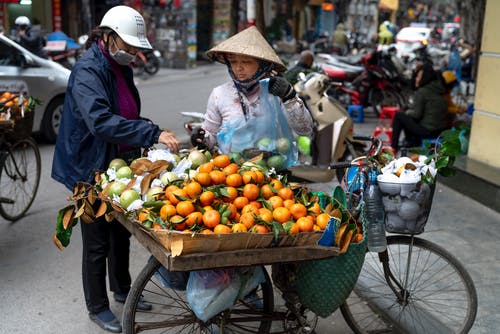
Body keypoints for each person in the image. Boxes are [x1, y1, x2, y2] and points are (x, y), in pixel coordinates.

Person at [51, 6, 179, 333]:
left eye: (136, 48)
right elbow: (101, 122)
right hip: (88, 166)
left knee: (120, 232)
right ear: (106, 37)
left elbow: (125, 112)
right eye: (128, 45)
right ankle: (97, 307)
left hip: (117, 163)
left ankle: (122, 290)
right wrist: (150, 133)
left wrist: (147, 130)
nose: (133, 53)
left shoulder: (121, 66)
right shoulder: (88, 70)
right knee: (96, 241)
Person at [191, 25, 313, 150]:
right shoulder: (220, 94)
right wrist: (202, 138)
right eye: (233, 62)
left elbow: (304, 129)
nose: (238, 68)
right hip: (231, 167)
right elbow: (211, 135)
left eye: (246, 62)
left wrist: (289, 96)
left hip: (272, 165)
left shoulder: (276, 92)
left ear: (262, 65)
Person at [391, 62, 448, 152]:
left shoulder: (423, 92)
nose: (416, 79)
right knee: (407, 116)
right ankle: (411, 142)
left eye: (418, 76)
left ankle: (393, 147)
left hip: (429, 131)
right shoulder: (438, 89)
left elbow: (416, 115)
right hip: (440, 130)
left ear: (424, 78)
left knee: (399, 116)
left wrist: (407, 112)